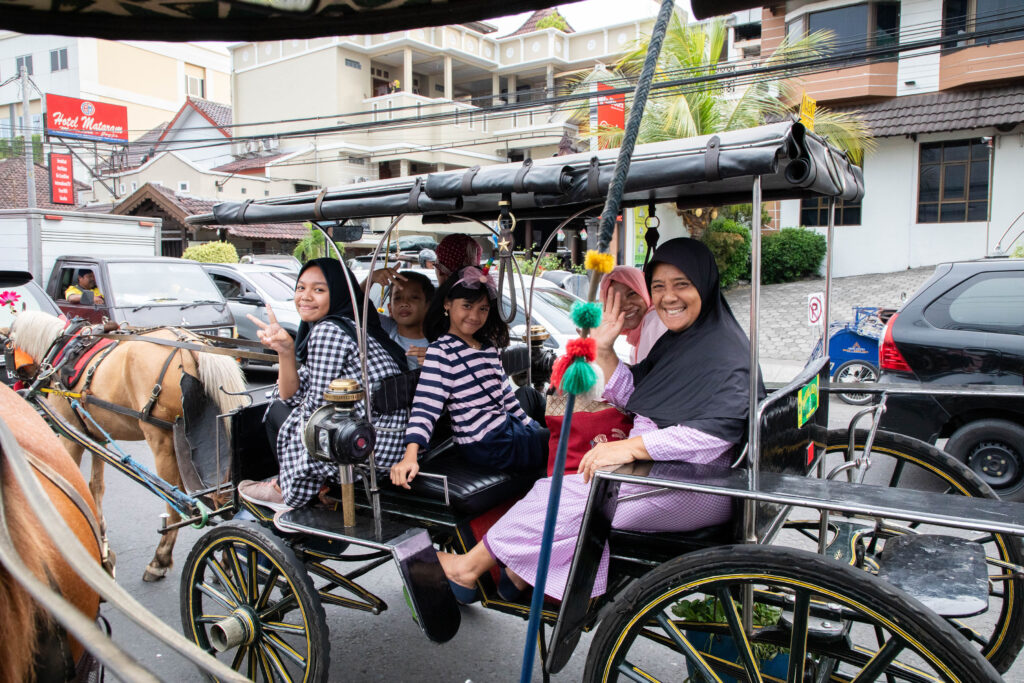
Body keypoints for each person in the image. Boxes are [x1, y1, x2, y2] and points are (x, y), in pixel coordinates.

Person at [436, 238, 762, 603]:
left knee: (566, 491)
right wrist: (604, 350)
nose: (669, 297)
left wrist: (631, 447)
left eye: (681, 285)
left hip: (696, 484)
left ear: (704, 283)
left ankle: (468, 568)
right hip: (671, 473)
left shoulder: (723, 349)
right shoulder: (684, 339)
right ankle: (519, 571)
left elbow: (716, 433)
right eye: (659, 286)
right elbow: (638, 394)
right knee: (576, 484)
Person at [239, 258, 410, 510]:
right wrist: (285, 351)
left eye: (319, 290)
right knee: (282, 406)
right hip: (389, 439)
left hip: (371, 448)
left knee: (280, 413)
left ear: (338, 293)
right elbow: (292, 394)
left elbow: (317, 412)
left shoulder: (328, 330)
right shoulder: (353, 325)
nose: (305, 297)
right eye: (301, 288)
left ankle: (290, 489)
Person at [390, 266, 546, 488]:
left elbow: (507, 399)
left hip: (503, 431)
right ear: (447, 304)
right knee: (563, 441)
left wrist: (532, 428)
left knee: (533, 401)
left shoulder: (487, 348)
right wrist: (410, 455)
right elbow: (426, 405)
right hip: (487, 443)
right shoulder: (441, 351)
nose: (474, 316)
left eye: (482, 309)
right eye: (467, 306)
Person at [599, 266, 668, 363]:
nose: (626, 305)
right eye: (615, 300)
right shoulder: (641, 333)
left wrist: (602, 349)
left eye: (632, 294)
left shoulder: (655, 321)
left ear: (646, 292)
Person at [378, 271, 434, 369]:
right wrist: (370, 281)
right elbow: (354, 308)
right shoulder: (386, 330)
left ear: (428, 306)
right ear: (390, 308)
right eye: (398, 298)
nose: (404, 303)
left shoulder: (439, 343)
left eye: (414, 297)